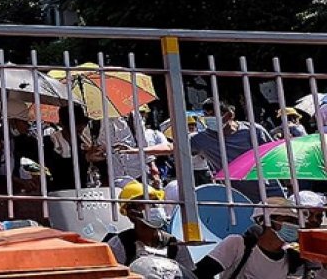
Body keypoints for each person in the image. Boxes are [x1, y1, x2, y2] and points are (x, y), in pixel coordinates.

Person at [142, 99, 281, 200]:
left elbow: (275, 154)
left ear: (229, 114)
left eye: (213, 114)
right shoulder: (202, 139)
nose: (209, 118)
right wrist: (140, 150)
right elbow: (171, 147)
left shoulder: (253, 131)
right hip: (236, 198)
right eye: (207, 115)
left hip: (269, 191)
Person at [194, 197, 305, 279]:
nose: (294, 226)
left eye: (296, 222)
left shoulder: (290, 258)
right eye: (289, 220)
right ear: (265, 221)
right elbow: (200, 273)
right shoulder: (238, 245)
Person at [102, 181, 194, 277]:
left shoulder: (175, 245)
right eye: (147, 203)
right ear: (131, 213)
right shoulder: (118, 245)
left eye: (155, 202)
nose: (154, 207)